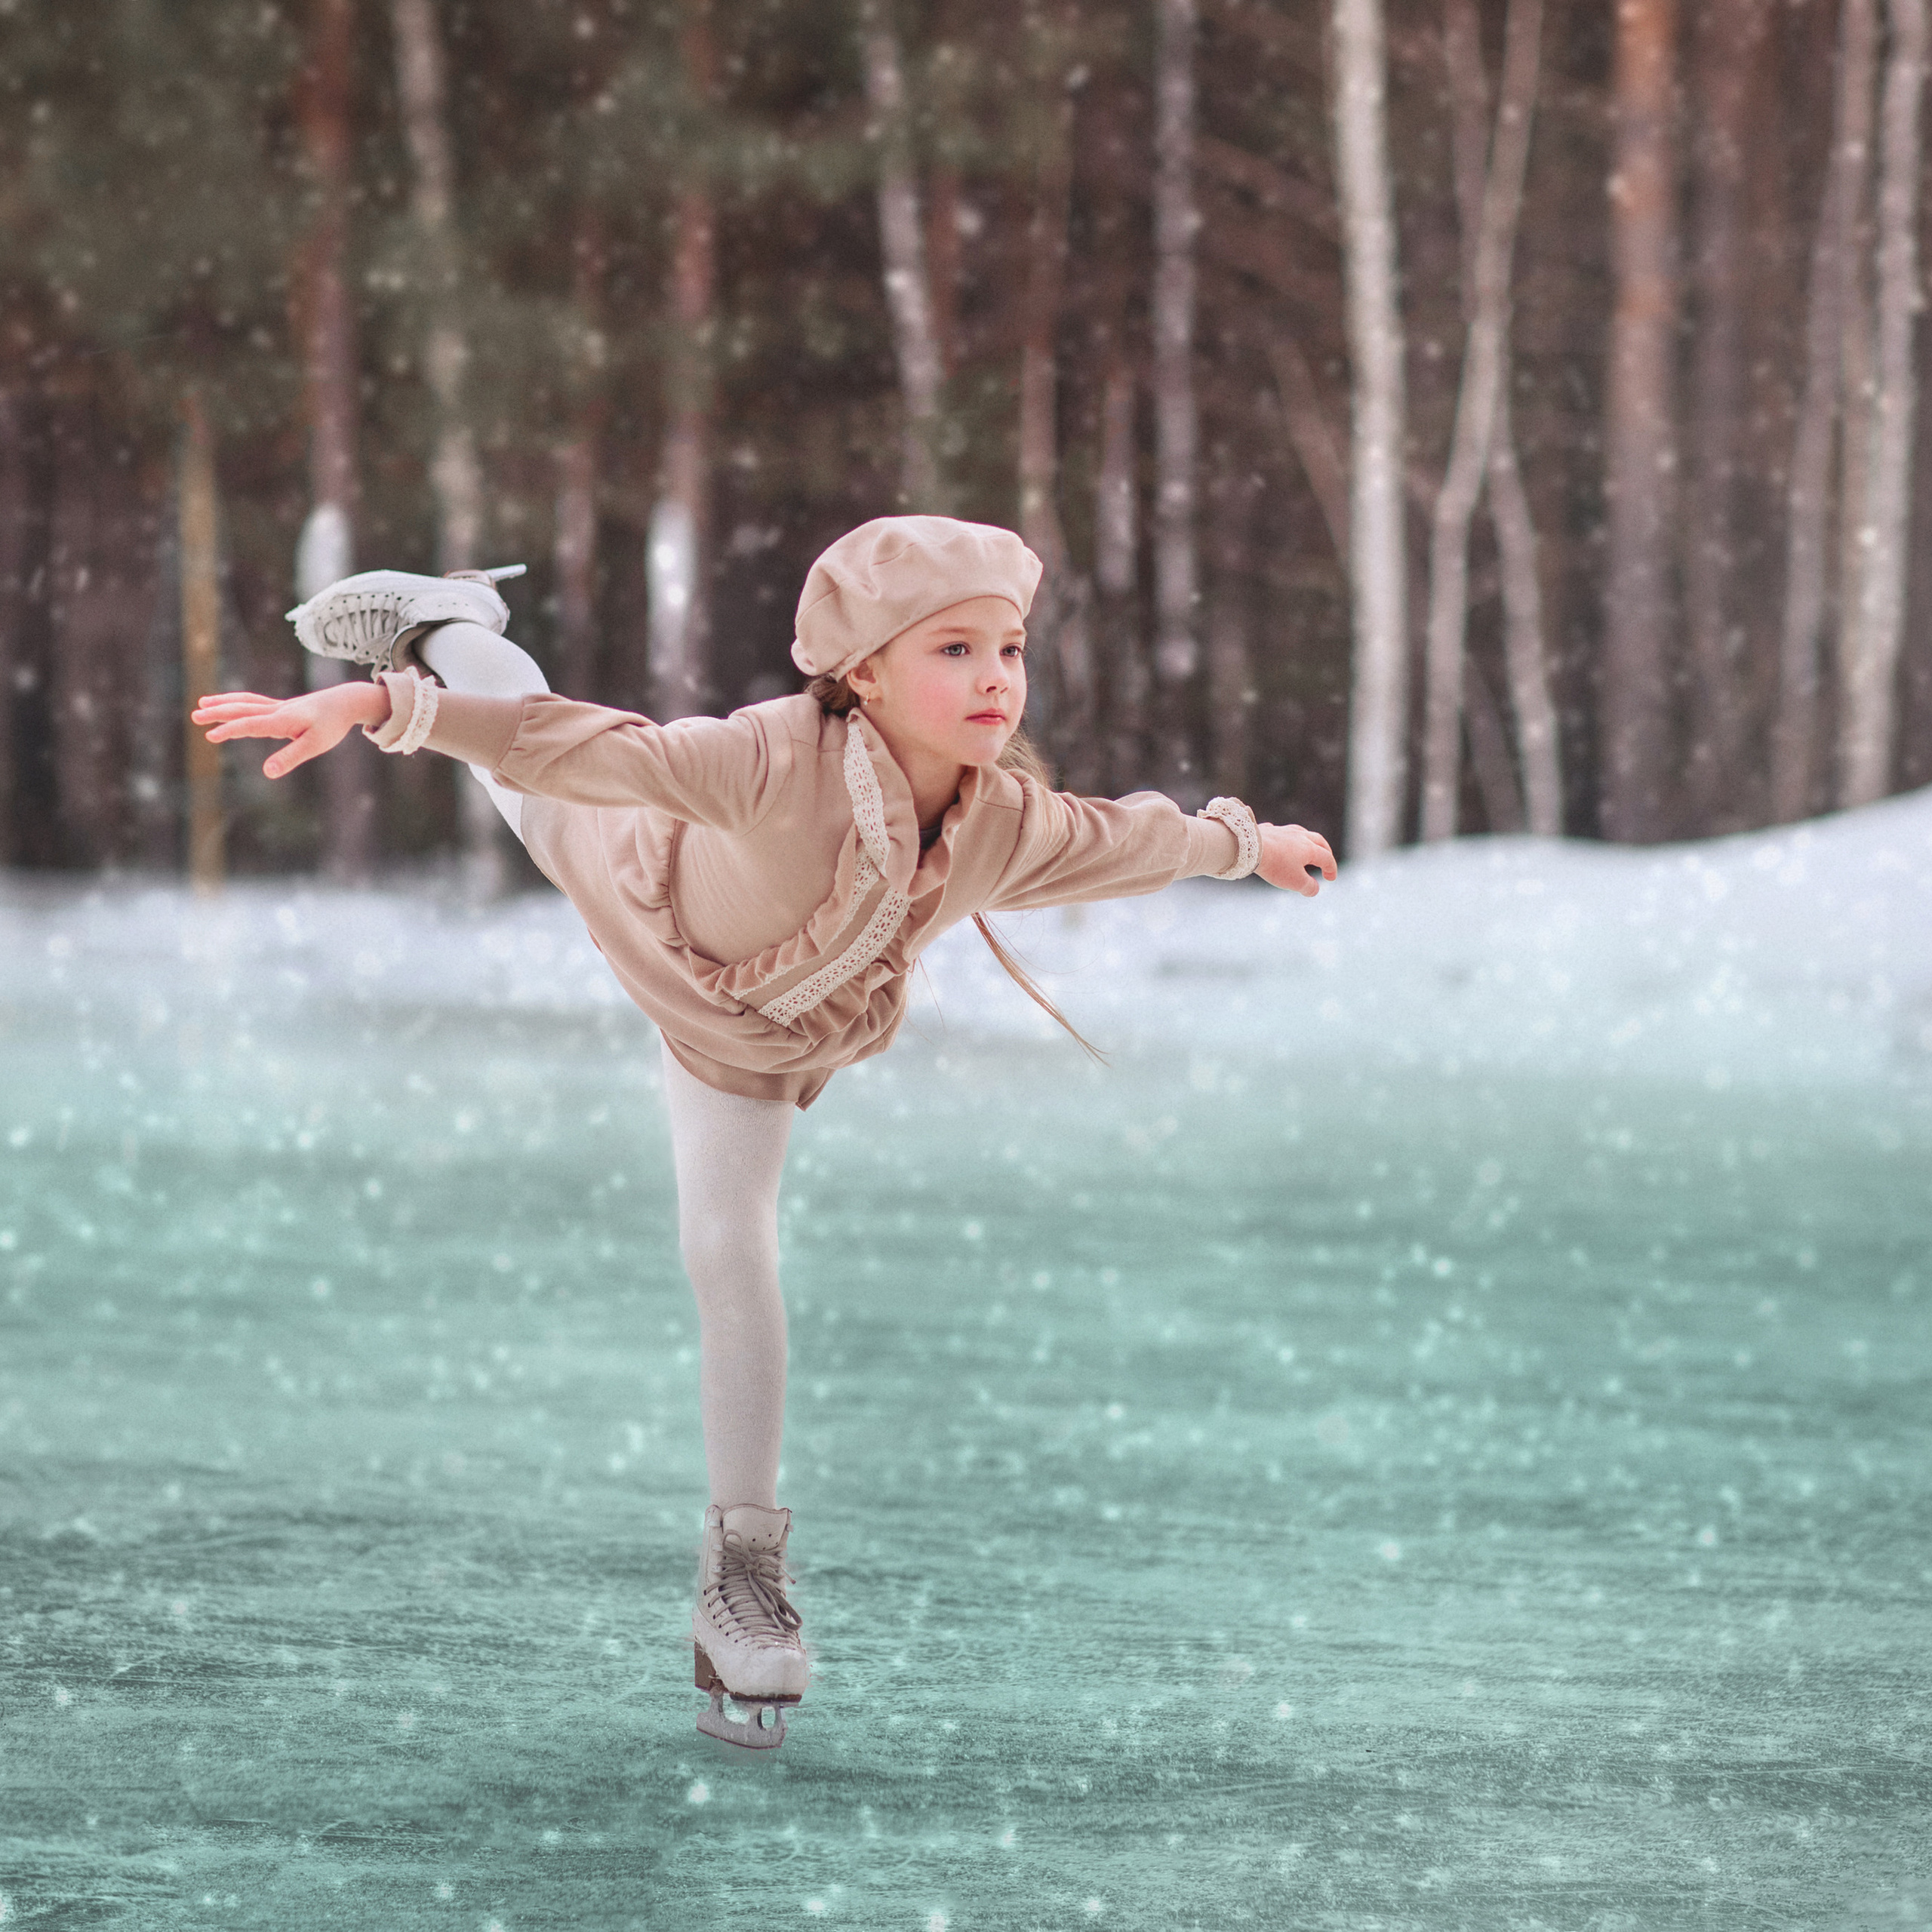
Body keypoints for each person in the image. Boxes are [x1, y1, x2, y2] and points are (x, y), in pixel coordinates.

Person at [192, 515, 1337, 1749]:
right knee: (533, 786)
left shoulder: (1001, 822)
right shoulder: (772, 759)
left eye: (1009, 648)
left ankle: (740, 1578)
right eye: (955, 649)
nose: (996, 676)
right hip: (644, 884)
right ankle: (450, 624)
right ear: (864, 672)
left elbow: (1128, 838)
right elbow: (580, 741)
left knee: (730, 1251)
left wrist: (1250, 846)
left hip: (741, 1041)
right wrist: (379, 707)